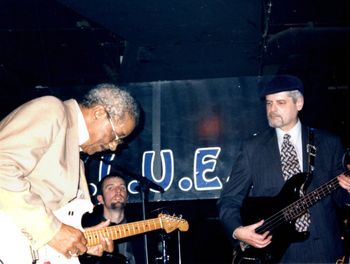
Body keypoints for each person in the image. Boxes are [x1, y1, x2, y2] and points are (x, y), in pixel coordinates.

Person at [0, 83, 139, 263]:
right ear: (98, 113)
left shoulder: (77, 157)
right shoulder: (52, 110)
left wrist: (81, 240)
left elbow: (53, 215)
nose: (113, 147)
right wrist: (52, 231)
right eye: (117, 136)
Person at [217, 75, 350, 263]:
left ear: (299, 103)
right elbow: (229, 199)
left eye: (280, 102)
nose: (272, 109)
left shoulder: (329, 143)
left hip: (326, 251)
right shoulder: (252, 148)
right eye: (269, 103)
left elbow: (341, 198)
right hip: (279, 254)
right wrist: (237, 231)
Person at [79, 174, 141, 264]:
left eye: (122, 188)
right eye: (110, 188)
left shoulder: (140, 230)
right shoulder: (87, 227)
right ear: (101, 199)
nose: (118, 191)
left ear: (127, 198)